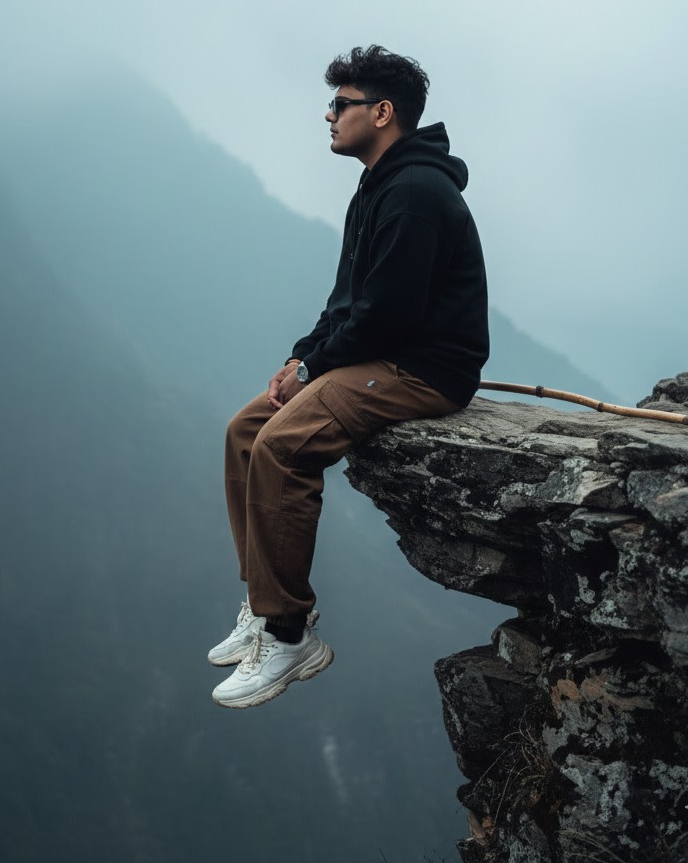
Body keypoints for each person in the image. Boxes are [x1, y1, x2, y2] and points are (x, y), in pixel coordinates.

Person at [209, 45, 489, 708]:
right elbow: (348, 302)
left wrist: (315, 369)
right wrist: (300, 359)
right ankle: (263, 600)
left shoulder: (415, 194)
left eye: (340, 104)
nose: (329, 116)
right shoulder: (377, 187)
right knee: (245, 429)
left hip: (420, 369)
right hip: (378, 355)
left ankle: (287, 633)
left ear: (382, 113)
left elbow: (389, 316)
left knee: (283, 446)